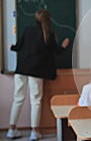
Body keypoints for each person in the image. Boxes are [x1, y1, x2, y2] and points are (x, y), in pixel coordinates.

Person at [7, 9, 70, 140]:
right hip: (36, 72)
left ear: (36, 19)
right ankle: (34, 132)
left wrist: (11, 47)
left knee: (18, 99)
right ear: (48, 19)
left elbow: (18, 46)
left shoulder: (27, 30)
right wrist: (64, 46)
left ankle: (11, 130)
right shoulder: (48, 34)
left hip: (21, 70)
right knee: (35, 101)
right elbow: (57, 51)